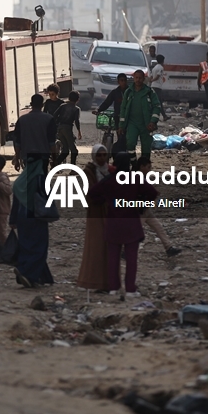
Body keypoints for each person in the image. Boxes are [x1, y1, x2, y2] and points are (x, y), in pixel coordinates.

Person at [87, 155, 154, 299]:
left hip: (113, 223)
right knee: (131, 259)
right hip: (131, 223)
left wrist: (105, 200)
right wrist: (140, 203)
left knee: (113, 258)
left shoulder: (109, 180)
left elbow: (92, 194)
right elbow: (152, 193)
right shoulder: (135, 179)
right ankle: (130, 289)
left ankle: (113, 288)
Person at [11, 94, 57, 288]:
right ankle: (33, 274)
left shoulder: (22, 120)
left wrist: (17, 156)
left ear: (31, 104)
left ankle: (42, 276)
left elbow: (18, 142)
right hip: (41, 163)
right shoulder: (49, 119)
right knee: (39, 237)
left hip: (28, 163)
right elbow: (52, 144)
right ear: (44, 104)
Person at [77, 144, 113, 293]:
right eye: (99, 155)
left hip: (109, 212)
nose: (102, 158)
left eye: (104, 155)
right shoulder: (89, 171)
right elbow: (90, 193)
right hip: (95, 212)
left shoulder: (111, 170)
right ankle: (94, 281)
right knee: (96, 247)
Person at [134, 157, 180, 257]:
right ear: (141, 167)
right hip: (141, 210)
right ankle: (126, 251)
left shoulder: (138, 177)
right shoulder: (138, 177)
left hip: (144, 208)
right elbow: (151, 192)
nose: (149, 170)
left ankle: (169, 247)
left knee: (158, 227)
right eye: (148, 167)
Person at [117, 69, 161, 161]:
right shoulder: (128, 92)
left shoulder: (149, 92)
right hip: (132, 124)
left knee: (146, 147)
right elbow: (123, 108)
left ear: (144, 79)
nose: (138, 80)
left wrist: (153, 121)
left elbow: (156, 106)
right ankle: (134, 164)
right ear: (133, 78)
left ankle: (144, 168)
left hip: (146, 124)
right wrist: (121, 125)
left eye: (140, 78)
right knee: (130, 144)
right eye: (136, 78)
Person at [54, 91, 82, 164]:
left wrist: (56, 125)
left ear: (69, 98)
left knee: (65, 150)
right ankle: (73, 169)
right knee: (74, 150)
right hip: (67, 129)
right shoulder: (76, 109)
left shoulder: (63, 105)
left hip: (60, 128)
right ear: (78, 100)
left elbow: (55, 115)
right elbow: (76, 121)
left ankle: (55, 163)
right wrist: (79, 131)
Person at [147, 55, 169, 120]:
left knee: (153, 101)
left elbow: (151, 76)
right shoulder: (161, 68)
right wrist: (152, 80)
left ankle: (161, 115)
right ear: (162, 61)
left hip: (153, 86)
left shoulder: (154, 68)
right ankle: (164, 116)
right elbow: (157, 76)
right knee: (159, 102)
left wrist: (151, 81)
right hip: (157, 87)